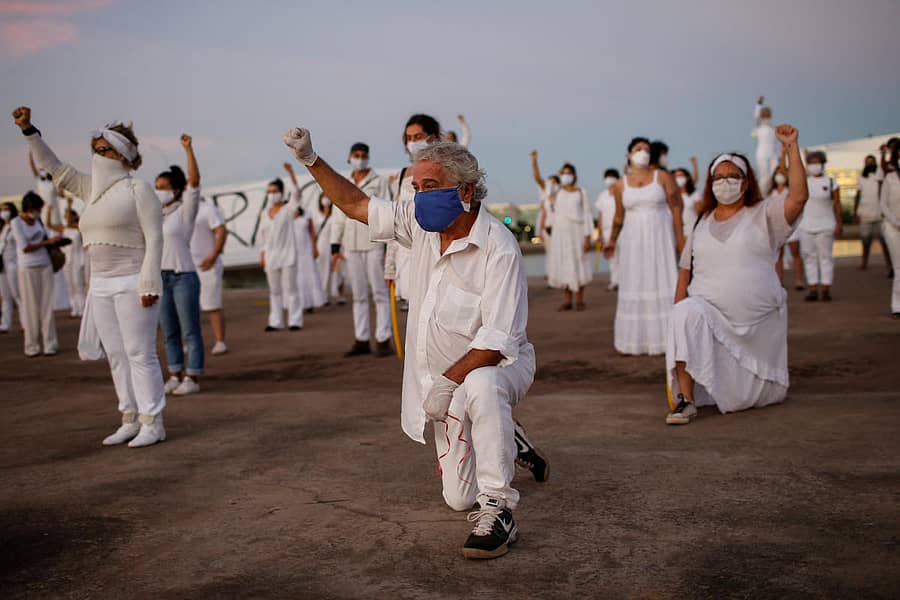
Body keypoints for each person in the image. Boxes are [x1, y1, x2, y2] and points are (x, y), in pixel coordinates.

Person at [285, 129, 548, 559]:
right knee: (458, 499)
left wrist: (447, 382)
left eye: (430, 187)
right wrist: (312, 159)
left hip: (499, 369)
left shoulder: (497, 248)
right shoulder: (422, 226)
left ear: (464, 190)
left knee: (482, 385)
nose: (419, 197)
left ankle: (500, 509)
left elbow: (499, 341)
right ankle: (508, 438)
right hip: (445, 390)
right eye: (415, 187)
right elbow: (355, 205)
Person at [14, 106, 167, 447]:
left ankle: (153, 421)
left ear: (123, 155)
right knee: (115, 353)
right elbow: (52, 167)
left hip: (132, 281)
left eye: (104, 151)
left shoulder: (138, 189)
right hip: (100, 285)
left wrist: (149, 282)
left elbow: (155, 238)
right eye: (94, 151)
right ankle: (129, 417)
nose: (98, 157)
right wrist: (30, 132)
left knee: (139, 353)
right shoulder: (89, 189)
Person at [665, 126, 809, 425]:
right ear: (710, 183)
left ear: (746, 182)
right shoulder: (702, 222)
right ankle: (686, 401)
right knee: (684, 313)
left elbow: (798, 198)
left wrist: (792, 148)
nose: (725, 183)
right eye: (718, 177)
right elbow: (684, 272)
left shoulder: (764, 214)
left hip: (756, 321)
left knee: (749, 400)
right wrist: (676, 316)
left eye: (732, 177)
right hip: (710, 309)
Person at [603, 137, 685, 355]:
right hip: (633, 241)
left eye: (647, 149)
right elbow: (619, 216)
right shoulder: (621, 185)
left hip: (660, 239)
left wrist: (681, 240)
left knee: (662, 279)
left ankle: (667, 339)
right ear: (629, 155)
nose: (643, 153)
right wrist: (611, 240)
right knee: (635, 280)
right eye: (638, 149)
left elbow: (677, 208)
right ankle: (634, 340)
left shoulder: (663, 177)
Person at [330, 142, 393, 357]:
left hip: (373, 242)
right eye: (356, 154)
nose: (360, 158)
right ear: (349, 157)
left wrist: (388, 243)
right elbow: (337, 215)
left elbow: (386, 210)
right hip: (351, 244)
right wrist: (334, 245)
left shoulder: (379, 182)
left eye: (364, 155)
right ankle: (362, 338)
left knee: (379, 292)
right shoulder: (344, 182)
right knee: (358, 294)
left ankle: (383, 339)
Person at [157, 136, 205, 396]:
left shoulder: (185, 210)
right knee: (168, 331)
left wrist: (188, 149)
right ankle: (174, 372)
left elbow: (194, 182)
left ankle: (192, 376)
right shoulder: (155, 213)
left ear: (175, 189)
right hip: (161, 278)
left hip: (183, 276)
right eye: (156, 186)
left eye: (163, 186)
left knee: (190, 331)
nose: (159, 190)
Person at [386, 114, 443, 307]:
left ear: (432, 137)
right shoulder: (401, 176)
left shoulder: (445, 169)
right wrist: (389, 267)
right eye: (409, 138)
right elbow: (393, 222)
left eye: (417, 137)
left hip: (436, 250)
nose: (412, 142)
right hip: (406, 253)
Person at [10, 192, 59, 356]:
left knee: (47, 307)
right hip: (28, 268)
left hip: (45, 265)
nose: (38, 212)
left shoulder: (38, 221)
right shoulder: (16, 222)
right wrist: (47, 242)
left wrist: (53, 242)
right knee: (31, 308)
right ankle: (32, 346)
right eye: (37, 208)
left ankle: (50, 344)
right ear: (29, 208)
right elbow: (25, 247)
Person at [258, 171, 303, 331]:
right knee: (275, 290)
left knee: (291, 289)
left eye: (275, 191)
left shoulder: (288, 209)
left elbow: (296, 194)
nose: (272, 195)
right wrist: (262, 254)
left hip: (288, 255)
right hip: (271, 257)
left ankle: (295, 320)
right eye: (269, 192)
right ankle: (275, 321)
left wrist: (291, 173)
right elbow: (262, 236)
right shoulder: (264, 214)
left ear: (282, 193)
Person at [546, 163, 593, 310]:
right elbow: (548, 192)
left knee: (579, 263)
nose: (566, 176)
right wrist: (557, 173)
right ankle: (567, 300)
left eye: (569, 173)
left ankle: (579, 300)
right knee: (564, 264)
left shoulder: (581, 192)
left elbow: (587, 213)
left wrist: (587, 236)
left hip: (577, 232)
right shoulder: (557, 192)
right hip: (561, 233)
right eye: (563, 173)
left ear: (574, 175)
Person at [798, 150, 842, 302]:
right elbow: (790, 172)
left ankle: (826, 288)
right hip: (806, 225)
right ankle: (812, 288)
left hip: (826, 224)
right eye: (811, 163)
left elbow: (837, 203)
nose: (814, 166)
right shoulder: (805, 181)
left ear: (823, 164)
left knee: (825, 257)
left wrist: (839, 223)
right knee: (808, 256)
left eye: (817, 162)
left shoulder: (831, 182)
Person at [30, 152, 71, 312]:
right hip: (44, 214)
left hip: (55, 216)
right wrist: (31, 152)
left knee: (59, 254)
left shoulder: (54, 182)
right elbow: (33, 168)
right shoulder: (39, 182)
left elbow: (60, 190)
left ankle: (63, 297)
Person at [284, 163, 326, 313]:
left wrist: (314, 247)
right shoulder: (287, 212)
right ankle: (298, 304)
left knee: (309, 276)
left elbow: (311, 232)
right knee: (296, 277)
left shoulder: (306, 213)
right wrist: (290, 173)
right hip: (292, 251)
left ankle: (310, 303)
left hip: (306, 249)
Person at [190, 195, 229, 355]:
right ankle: (191, 342)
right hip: (187, 266)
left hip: (208, 265)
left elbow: (222, 231)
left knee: (212, 305)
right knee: (188, 308)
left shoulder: (207, 209)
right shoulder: (178, 212)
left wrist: (213, 256)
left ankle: (220, 341)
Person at [769, 163, 805, 289]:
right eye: (778, 172)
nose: (780, 175)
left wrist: (785, 150)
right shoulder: (770, 192)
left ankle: (799, 280)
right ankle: (779, 281)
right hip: (776, 227)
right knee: (778, 255)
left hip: (792, 226)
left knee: (795, 253)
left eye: (782, 173)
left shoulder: (790, 191)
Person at [529, 150, 558, 285]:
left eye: (554, 182)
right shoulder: (545, 191)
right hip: (548, 226)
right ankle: (552, 279)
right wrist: (534, 161)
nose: (551, 184)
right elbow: (537, 177)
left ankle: (559, 278)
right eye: (550, 182)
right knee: (551, 254)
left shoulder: (561, 193)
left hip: (560, 226)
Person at [855, 154, 888, 273]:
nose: (870, 164)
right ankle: (864, 262)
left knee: (884, 240)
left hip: (880, 212)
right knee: (865, 240)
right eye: (867, 162)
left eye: (872, 162)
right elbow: (857, 195)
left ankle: (888, 264)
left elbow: (883, 168)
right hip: (864, 212)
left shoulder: (879, 176)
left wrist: (883, 154)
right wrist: (855, 212)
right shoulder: (861, 178)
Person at [312, 193, 345, 304]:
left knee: (338, 270)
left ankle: (339, 295)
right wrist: (314, 247)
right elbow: (313, 233)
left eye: (327, 197)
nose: (326, 199)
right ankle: (323, 296)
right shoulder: (316, 215)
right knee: (322, 270)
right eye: (323, 197)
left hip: (335, 244)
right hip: (321, 245)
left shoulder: (335, 213)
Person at [880, 148, 900, 318]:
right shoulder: (890, 179)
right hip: (894, 228)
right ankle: (897, 306)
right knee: (899, 267)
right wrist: (896, 222)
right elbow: (883, 204)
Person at [0, 202, 23, 333]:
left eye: (6, 209)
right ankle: (5, 323)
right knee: (5, 296)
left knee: (18, 295)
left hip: (14, 264)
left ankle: (25, 323)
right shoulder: (2, 227)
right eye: (2, 209)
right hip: (2, 266)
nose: (4, 212)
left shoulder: (16, 224)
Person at [595, 169, 620, 290]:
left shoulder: (621, 193)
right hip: (606, 230)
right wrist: (599, 233)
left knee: (622, 255)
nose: (609, 179)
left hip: (621, 229)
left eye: (612, 177)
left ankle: (623, 281)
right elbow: (600, 216)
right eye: (607, 177)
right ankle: (615, 281)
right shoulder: (602, 195)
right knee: (612, 257)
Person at [61, 198, 86, 317]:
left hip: (78, 260)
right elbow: (49, 224)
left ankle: (82, 307)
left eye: (68, 215)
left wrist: (69, 206)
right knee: (70, 284)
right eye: (65, 216)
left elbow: (72, 224)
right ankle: (74, 308)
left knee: (78, 283)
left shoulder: (79, 227)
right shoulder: (65, 229)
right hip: (67, 260)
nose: (66, 217)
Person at [752, 96, 781, 194]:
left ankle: (773, 193)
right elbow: (756, 118)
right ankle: (762, 195)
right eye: (764, 115)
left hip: (773, 154)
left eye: (768, 115)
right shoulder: (759, 128)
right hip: (762, 154)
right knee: (764, 176)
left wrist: (779, 156)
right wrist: (759, 105)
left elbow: (778, 145)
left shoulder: (774, 129)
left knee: (774, 175)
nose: (766, 117)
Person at [674, 159, 702, 239]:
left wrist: (695, 165)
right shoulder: (672, 196)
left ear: (687, 177)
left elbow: (700, 213)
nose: (678, 178)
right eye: (676, 176)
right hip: (676, 234)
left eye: (681, 176)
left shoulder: (694, 194)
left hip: (691, 232)